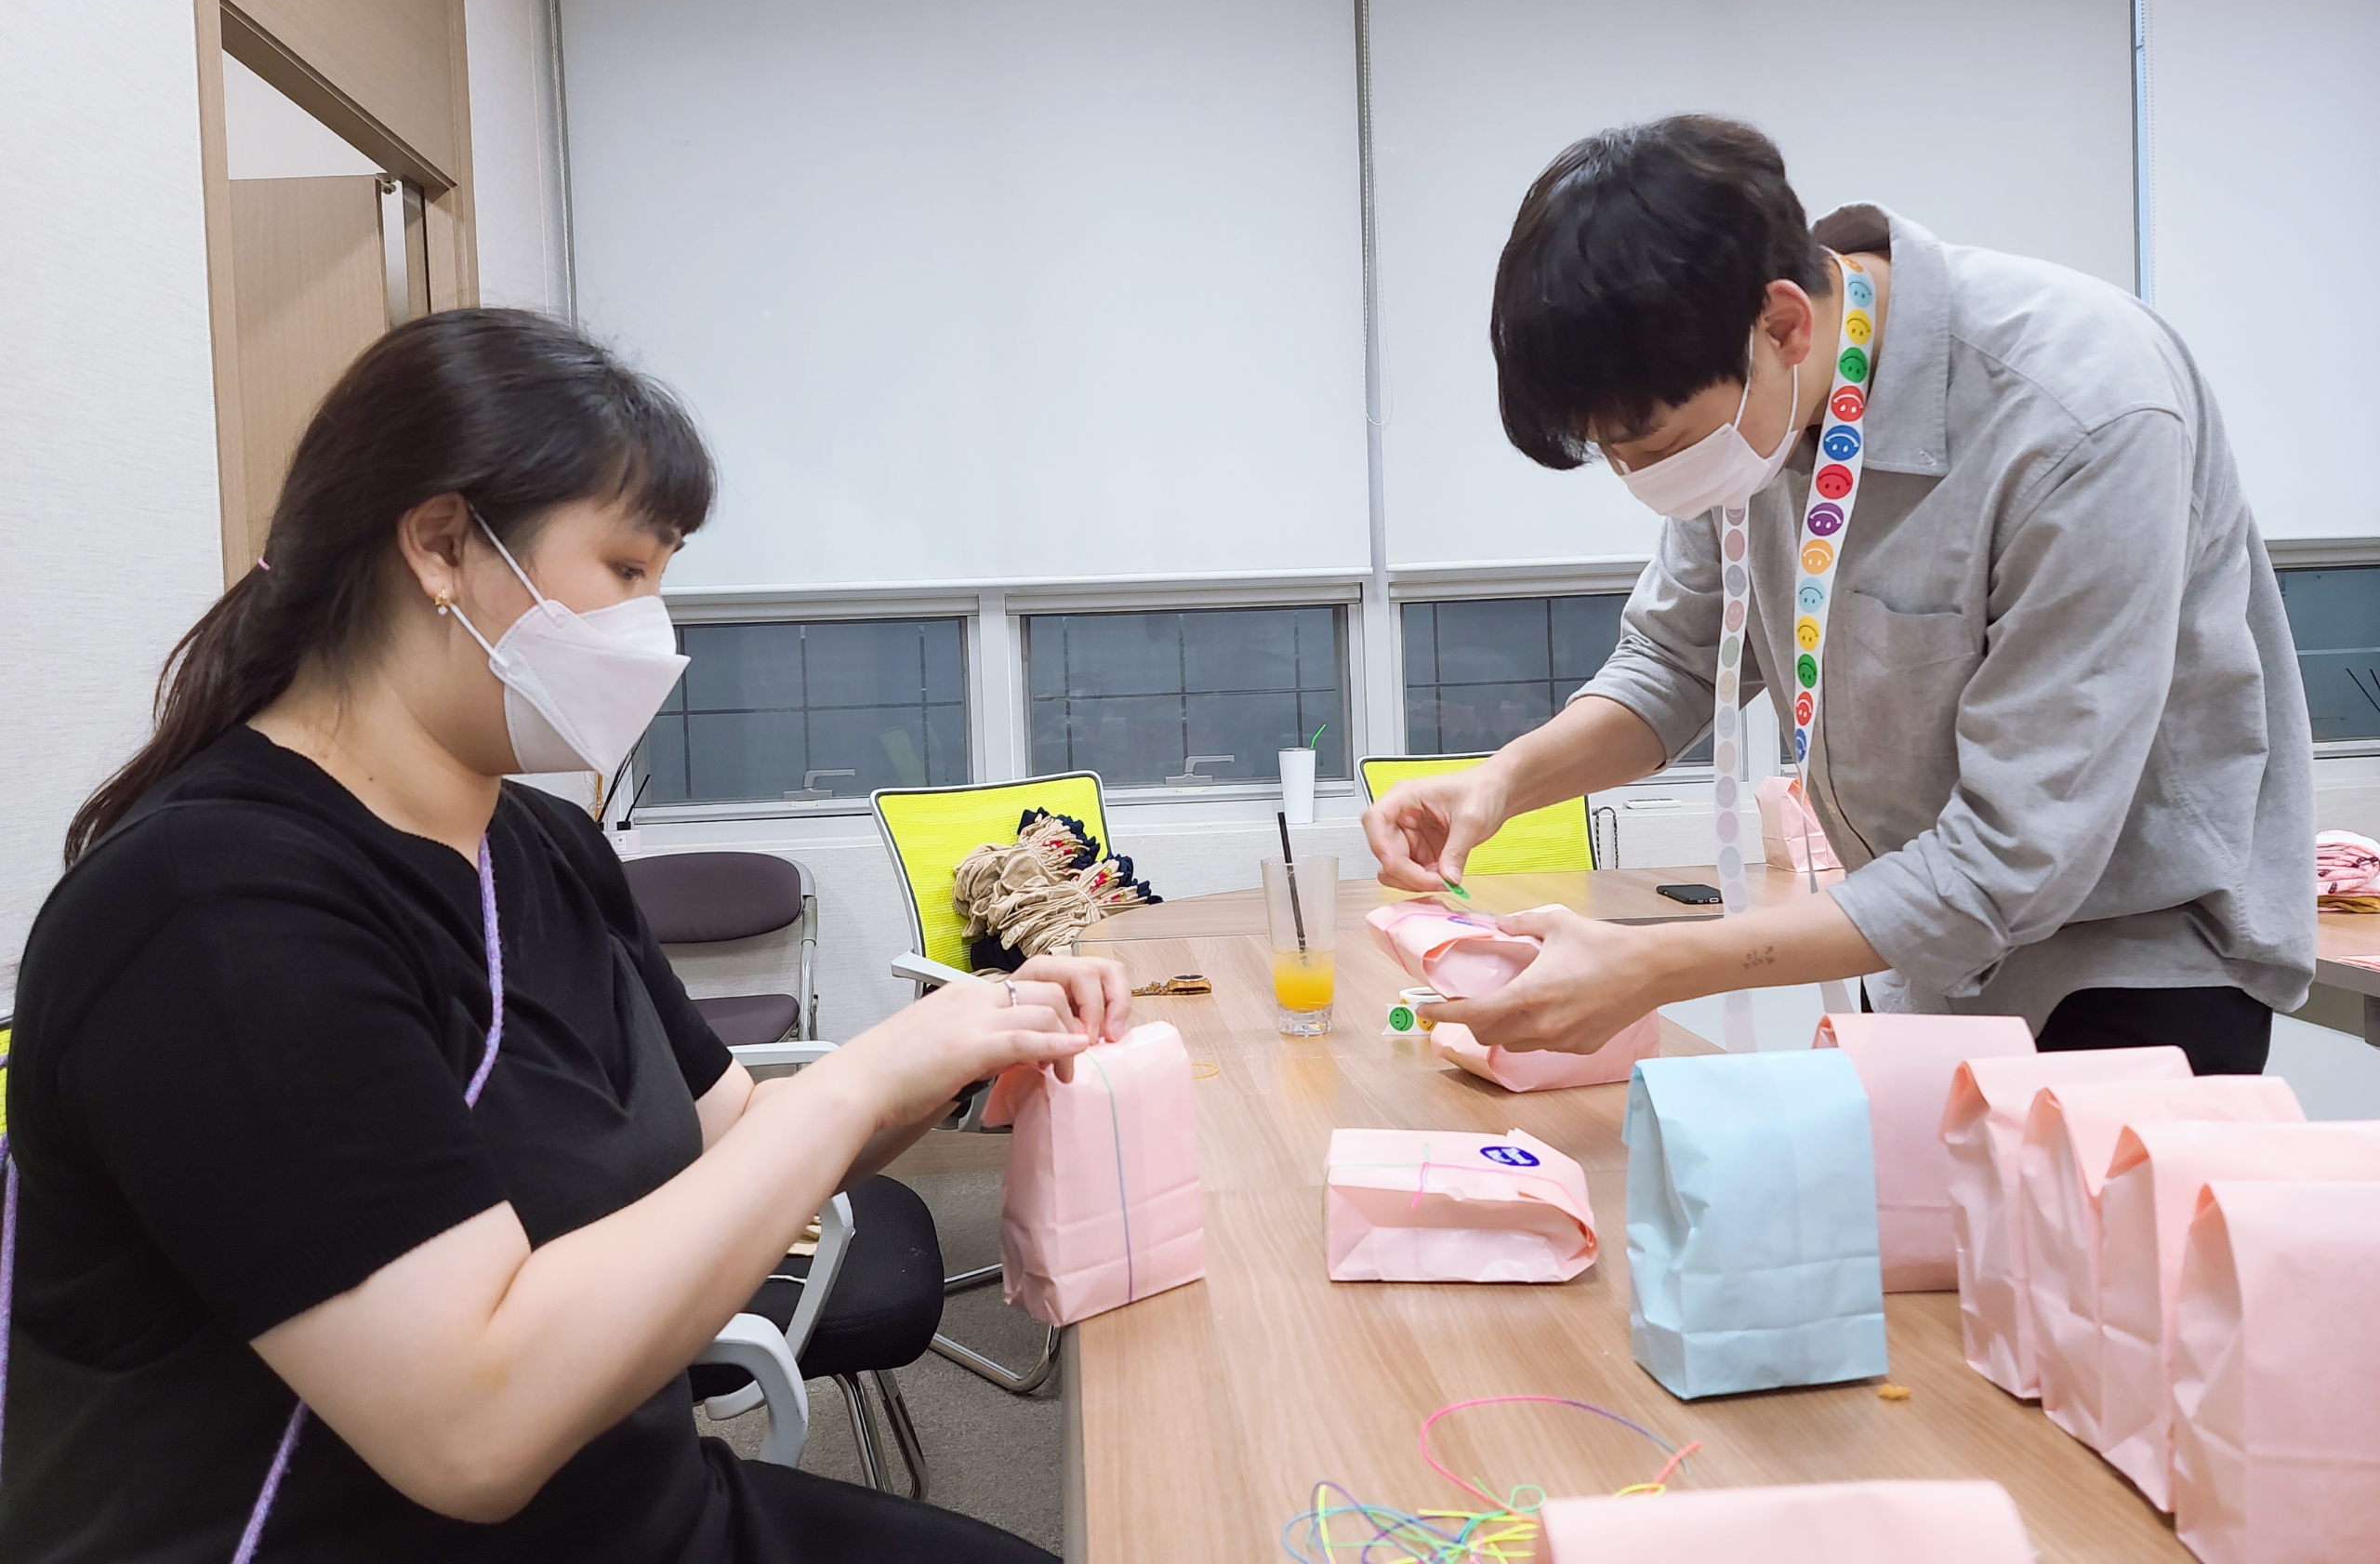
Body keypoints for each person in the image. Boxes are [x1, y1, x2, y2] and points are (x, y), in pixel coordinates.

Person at [0, 311, 1117, 1563]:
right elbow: (472, 1427)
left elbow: (736, 1141)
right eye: (627, 568)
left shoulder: (540, 847)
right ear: (441, 546)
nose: (655, 626)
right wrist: (855, 1082)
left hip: (636, 1513)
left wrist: (958, 1049)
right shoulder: (210, 912)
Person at [1364, 115, 2311, 1077]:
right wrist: (1502, 784)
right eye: (1610, 453)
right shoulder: (1756, 400)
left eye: (1653, 446)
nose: (1638, 478)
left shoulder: (2082, 414)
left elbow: (2015, 855)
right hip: (1909, 949)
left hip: (2126, 972)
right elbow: (1675, 662)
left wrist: (1652, 965)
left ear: (1784, 324)